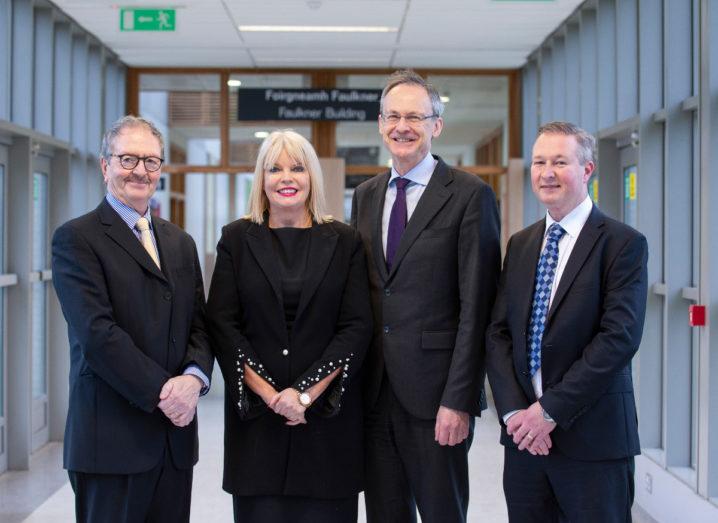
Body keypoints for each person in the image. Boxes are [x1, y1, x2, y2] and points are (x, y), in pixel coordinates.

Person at [350, 69, 502, 522]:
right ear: (380, 123)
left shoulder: (470, 195)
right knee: (384, 513)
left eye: (415, 116)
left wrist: (459, 399)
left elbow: (479, 307)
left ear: (436, 125)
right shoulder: (366, 195)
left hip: (438, 397)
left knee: (442, 513)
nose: (403, 126)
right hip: (376, 394)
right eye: (393, 116)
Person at [51, 115, 213, 522]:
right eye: (127, 159)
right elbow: (97, 334)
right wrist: (167, 393)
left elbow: (200, 324)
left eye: (151, 161)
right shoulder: (77, 238)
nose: (140, 170)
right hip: (110, 443)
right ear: (105, 166)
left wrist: (193, 379)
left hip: (173, 443)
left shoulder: (179, 242)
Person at [206, 130, 372, 523]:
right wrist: (272, 395)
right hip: (258, 428)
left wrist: (303, 396)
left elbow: (356, 326)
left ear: (311, 176)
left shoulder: (344, 240)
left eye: (297, 168)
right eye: (274, 168)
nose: (286, 177)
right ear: (261, 180)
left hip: (327, 425)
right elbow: (222, 324)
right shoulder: (236, 238)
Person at [486, 121, 648, 522]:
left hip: (593, 442)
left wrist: (548, 411)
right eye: (539, 162)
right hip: (525, 443)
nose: (546, 172)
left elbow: (618, 339)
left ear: (587, 170)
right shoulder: (521, 244)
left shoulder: (622, 244)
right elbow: (499, 333)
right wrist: (515, 415)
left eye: (560, 162)